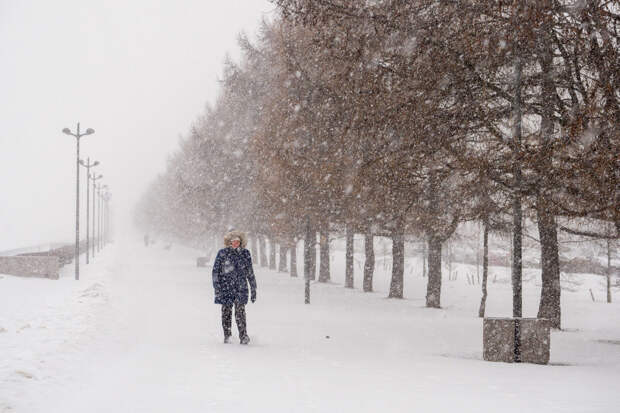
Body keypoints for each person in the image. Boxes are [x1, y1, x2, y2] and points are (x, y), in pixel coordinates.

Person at [212, 230, 257, 344]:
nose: (236, 243)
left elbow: (250, 272)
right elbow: (215, 272)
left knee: (240, 312)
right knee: (226, 312)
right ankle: (227, 335)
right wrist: (217, 288)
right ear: (229, 242)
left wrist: (253, 288)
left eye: (238, 241)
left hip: (241, 288)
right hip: (225, 287)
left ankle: (243, 336)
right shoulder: (222, 253)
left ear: (241, 242)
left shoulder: (245, 254)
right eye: (233, 241)